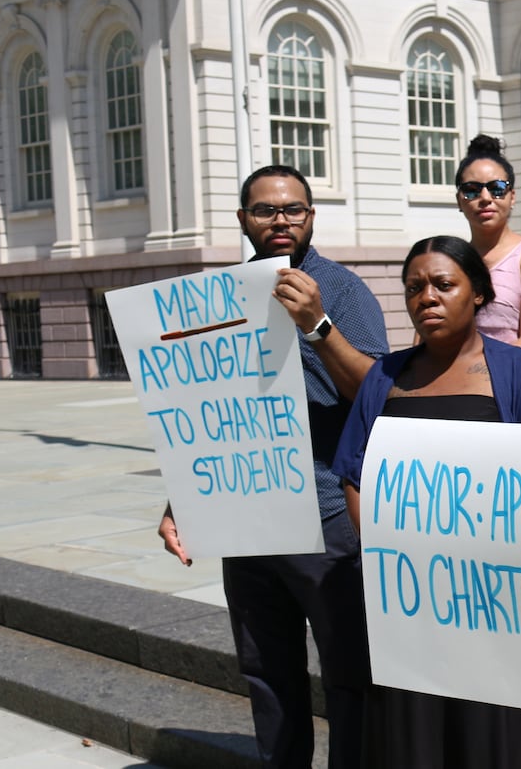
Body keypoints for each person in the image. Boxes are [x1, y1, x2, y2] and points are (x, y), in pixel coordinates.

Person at [156, 164, 389, 769]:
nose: (280, 221)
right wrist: (180, 500)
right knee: (267, 674)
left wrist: (316, 325)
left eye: (294, 210)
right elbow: (204, 410)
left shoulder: (341, 289)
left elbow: (376, 394)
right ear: (244, 220)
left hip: (325, 516)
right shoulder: (218, 298)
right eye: (266, 210)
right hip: (247, 517)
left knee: (349, 675)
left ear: (311, 217)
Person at [331, 235, 521, 769]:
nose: (427, 297)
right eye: (414, 287)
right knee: (413, 738)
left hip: (498, 608)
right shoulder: (384, 377)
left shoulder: (518, 371)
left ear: (480, 294)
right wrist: (383, 547)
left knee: (493, 740)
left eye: (444, 284)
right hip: (411, 605)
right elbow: (354, 472)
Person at [455, 134, 521, 357]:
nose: (485, 197)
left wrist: (473, 372)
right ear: (459, 200)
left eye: (497, 188)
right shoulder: (451, 261)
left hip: (513, 384)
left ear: (512, 197)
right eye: (472, 189)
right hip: (455, 387)